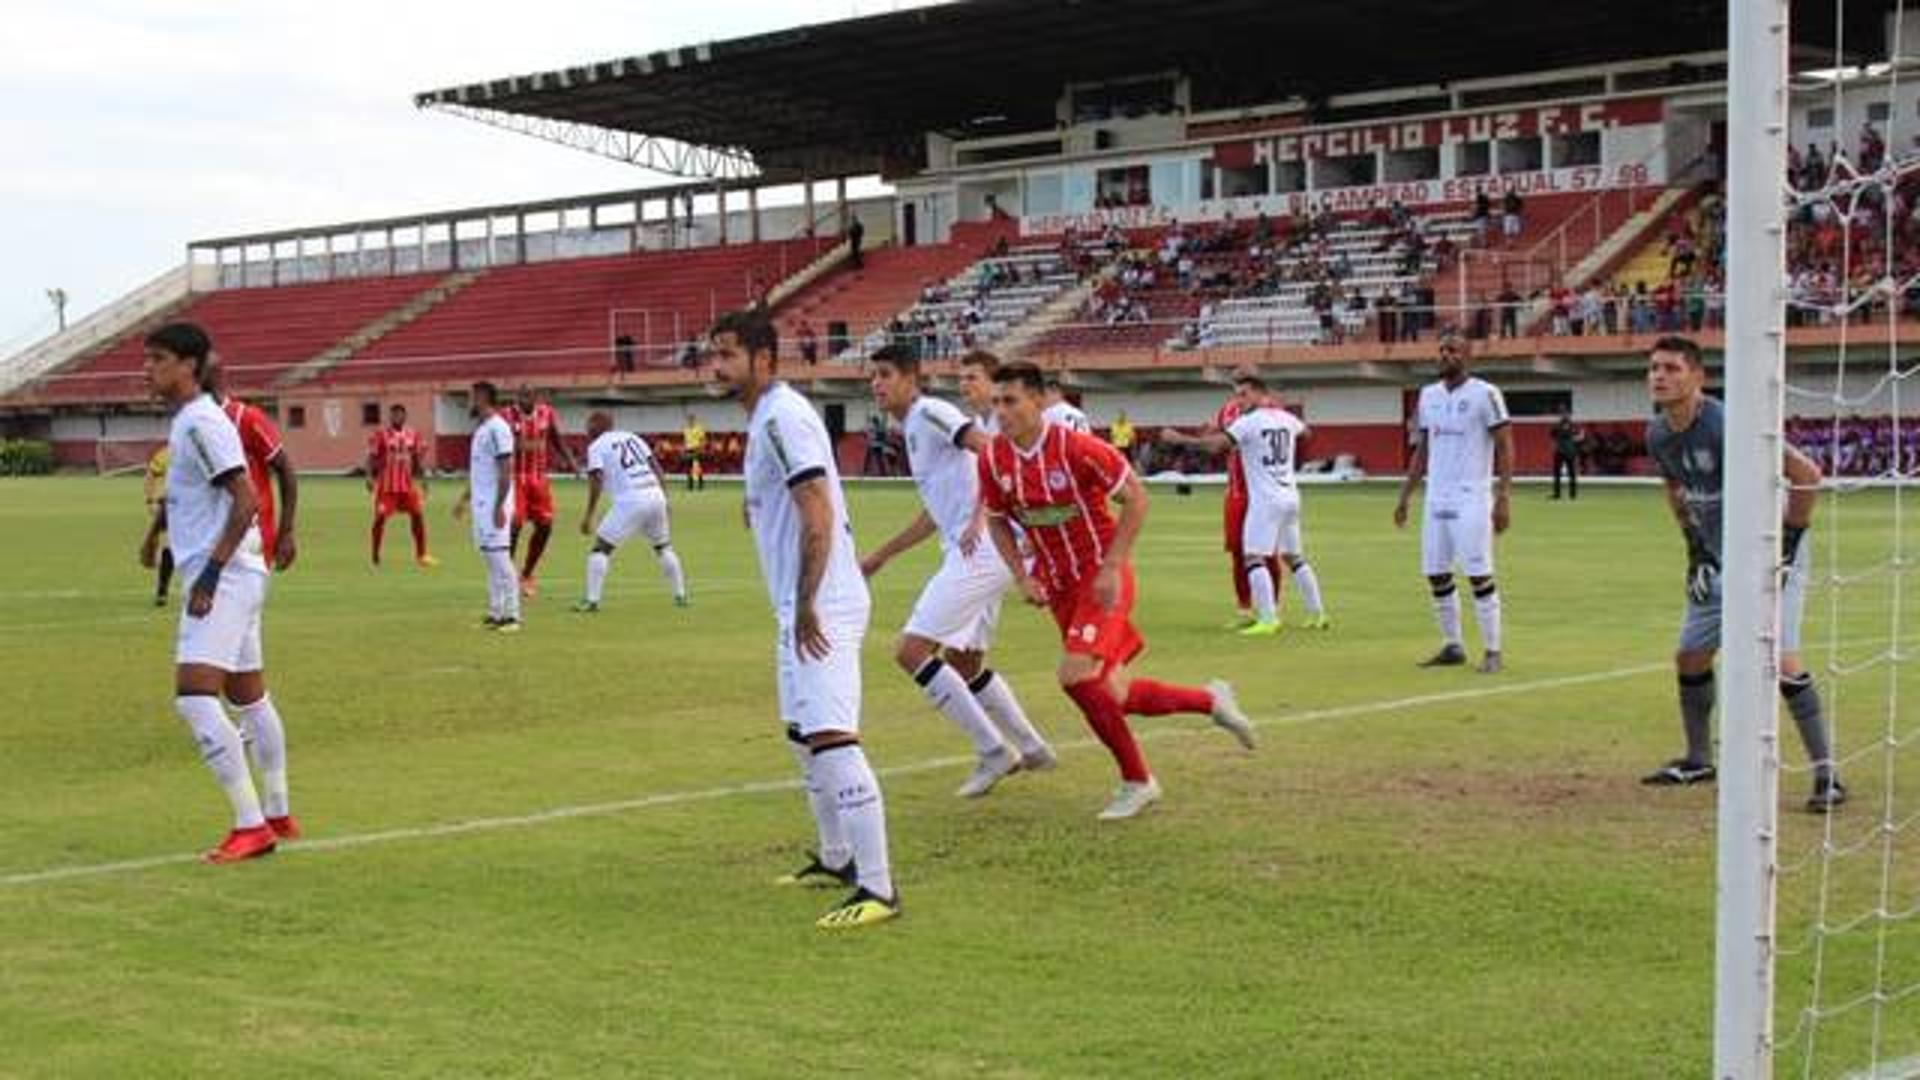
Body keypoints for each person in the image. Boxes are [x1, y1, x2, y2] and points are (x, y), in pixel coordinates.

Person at [979, 360, 1257, 821]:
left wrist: (1111, 566)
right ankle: (1210, 701)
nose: (1001, 412)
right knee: (1112, 692)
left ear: (1038, 400)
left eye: (1010, 401)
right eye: (996, 403)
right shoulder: (993, 459)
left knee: (1074, 675)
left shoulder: (1077, 448)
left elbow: (1136, 497)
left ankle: (1138, 781)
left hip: (1102, 579)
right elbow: (994, 519)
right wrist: (1022, 574)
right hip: (1060, 587)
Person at [706, 307, 898, 930]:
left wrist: (810, 601)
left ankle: (878, 887)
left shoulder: (784, 415)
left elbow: (815, 509)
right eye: (714, 354)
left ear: (765, 359)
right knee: (802, 733)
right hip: (800, 601)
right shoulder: (768, 418)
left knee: (832, 735)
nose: (717, 366)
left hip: (823, 601)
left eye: (729, 354)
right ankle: (838, 858)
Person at [1640, 336, 1845, 811]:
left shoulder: (1729, 424)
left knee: (1782, 660)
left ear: (1698, 377)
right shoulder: (1658, 434)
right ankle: (1697, 758)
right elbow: (1675, 488)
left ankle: (1827, 775)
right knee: (1690, 656)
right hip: (1715, 556)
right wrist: (1694, 550)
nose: (1659, 376)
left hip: (1769, 552)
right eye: (1653, 368)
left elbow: (1807, 473)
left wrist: (1788, 545)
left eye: (1671, 368)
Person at [860, 346, 1055, 798]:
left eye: (886, 374)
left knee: (911, 651)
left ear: (911, 378)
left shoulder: (929, 412)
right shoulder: (913, 427)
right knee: (964, 662)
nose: (877, 384)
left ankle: (993, 750)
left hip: (982, 549)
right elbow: (933, 514)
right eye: (874, 376)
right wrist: (881, 556)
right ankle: (1031, 746)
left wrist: (980, 515)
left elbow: (988, 449)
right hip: (976, 548)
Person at [138, 322, 296, 864]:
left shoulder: (201, 422)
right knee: (249, 694)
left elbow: (246, 499)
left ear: (188, 365)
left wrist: (207, 576)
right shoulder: (193, 421)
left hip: (223, 575)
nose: (148, 369)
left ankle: (251, 826)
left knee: (194, 697)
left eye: (157, 359)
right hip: (240, 571)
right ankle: (277, 810)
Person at [1161, 375, 1329, 635]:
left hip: (1265, 499)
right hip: (1290, 495)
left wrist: (1180, 439)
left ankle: (1268, 618)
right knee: (1293, 556)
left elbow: (1215, 446)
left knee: (1252, 556)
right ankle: (1317, 614)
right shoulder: (1285, 418)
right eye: (1237, 395)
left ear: (1260, 394)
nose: (1238, 401)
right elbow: (1306, 432)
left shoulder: (1249, 423)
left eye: (1244, 395)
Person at [1394, 335, 1513, 674]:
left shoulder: (1485, 394)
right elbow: (1423, 450)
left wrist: (1503, 496)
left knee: (1478, 574)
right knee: (1436, 573)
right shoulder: (1428, 395)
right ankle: (1452, 645)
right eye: (1441, 350)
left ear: (1467, 357)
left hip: (1471, 495)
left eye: (1453, 351)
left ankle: (1493, 651)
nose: (1445, 355)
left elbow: (1505, 445)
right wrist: (1405, 496)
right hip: (1436, 496)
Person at [574, 411, 688, 612]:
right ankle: (680, 596)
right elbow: (657, 468)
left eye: (588, 425)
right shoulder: (632, 436)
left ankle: (591, 601)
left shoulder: (596, 446)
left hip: (631, 499)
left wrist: (589, 514)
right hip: (654, 495)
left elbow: (596, 480)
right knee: (663, 547)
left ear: (596, 426)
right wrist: (665, 499)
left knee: (601, 549)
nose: (586, 430)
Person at [202, 361, 298, 573]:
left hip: (250, 535)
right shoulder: (192, 423)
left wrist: (286, 531)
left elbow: (285, 469)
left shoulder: (244, 417)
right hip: (207, 534)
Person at [453, 382, 520, 632]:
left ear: (482, 398)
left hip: (495, 504)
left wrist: (500, 506)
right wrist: (464, 500)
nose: (468, 402)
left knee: (501, 559)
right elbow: (480, 473)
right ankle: (495, 613)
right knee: (490, 560)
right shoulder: (482, 429)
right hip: (482, 505)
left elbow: (505, 471)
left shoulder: (498, 429)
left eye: (471, 397)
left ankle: (512, 616)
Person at [503, 387, 578, 598]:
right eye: (520, 395)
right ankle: (506, 575)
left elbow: (556, 437)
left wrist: (570, 460)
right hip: (515, 479)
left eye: (527, 396)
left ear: (536, 398)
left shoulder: (547, 413)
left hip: (539, 480)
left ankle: (527, 574)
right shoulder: (506, 416)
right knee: (514, 525)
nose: (523, 399)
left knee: (545, 526)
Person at [366, 404, 437, 568]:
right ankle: (375, 555)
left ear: (405, 416)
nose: (396, 417)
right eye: (393, 414)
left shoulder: (413, 434)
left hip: (407, 487)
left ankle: (422, 555)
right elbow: (371, 456)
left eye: (400, 414)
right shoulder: (381, 434)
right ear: (390, 417)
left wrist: (424, 480)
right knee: (380, 518)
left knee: (418, 515)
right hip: (387, 488)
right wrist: (369, 476)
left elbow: (417, 460)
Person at [143, 445, 174, 606]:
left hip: (190, 506)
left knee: (171, 546)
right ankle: (162, 591)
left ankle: (162, 591)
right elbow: (150, 475)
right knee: (170, 545)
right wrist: (150, 500)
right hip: (173, 504)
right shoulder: (168, 452)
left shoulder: (168, 451)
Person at [1550, 408, 1584, 501]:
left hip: (1569, 452)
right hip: (1561, 451)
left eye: (1565, 413)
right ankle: (1558, 494)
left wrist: (1575, 439)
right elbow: (1552, 437)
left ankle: (1572, 494)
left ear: (1569, 414)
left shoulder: (1573, 425)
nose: (1564, 415)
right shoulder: (1558, 425)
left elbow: (1580, 437)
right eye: (1562, 413)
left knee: (1571, 474)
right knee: (1557, 474)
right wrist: (1554, 447)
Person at [681, 413, 707, 491]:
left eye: (692, 419)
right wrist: (684, 450)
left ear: (694, 420)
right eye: (689, 420)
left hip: (697, 449)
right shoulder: (686, 429)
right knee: (688, 469)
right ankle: (690, 486)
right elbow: (685, 441)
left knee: (697, 468)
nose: (690, 421)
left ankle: (700, 485)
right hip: (688, 450)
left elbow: (703, 440)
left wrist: (701, 449)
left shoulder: (699, 428)